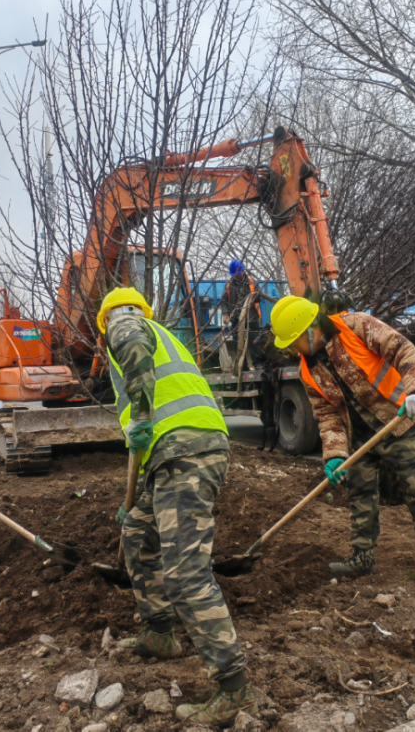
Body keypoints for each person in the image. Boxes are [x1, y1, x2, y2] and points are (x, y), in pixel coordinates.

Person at [99, 287, 257, 725]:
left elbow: (130, 348)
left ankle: (234, 689)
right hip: (175, 453)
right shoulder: (163, 332)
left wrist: (143, 414)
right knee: (136, 532)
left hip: (185, 450)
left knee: (186, 573)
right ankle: (160, 634)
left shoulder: (124, 324)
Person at [270, 296, 415, 586]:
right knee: (361, 496)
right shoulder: (307, 369)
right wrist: (335, 454)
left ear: (310, 329)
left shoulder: (356, 326)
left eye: (293, 341)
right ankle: (363, 557)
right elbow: (326, 414)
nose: (291, 348)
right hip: (359, 436)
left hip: (398, 422)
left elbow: (402, 349)